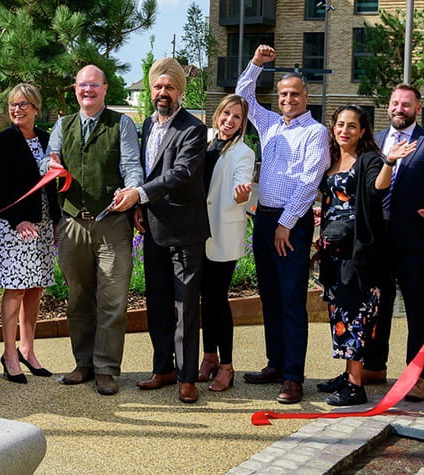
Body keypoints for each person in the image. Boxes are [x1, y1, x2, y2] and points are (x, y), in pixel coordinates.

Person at [111, 58, 209, 404]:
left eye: (169, 87)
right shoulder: (148, 125)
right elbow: (147, 171)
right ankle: (163, 368)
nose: (162, 92)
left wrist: (139, 194)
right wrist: (139, 205)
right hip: (152, 228)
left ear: (180, 91)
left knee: (185, 307)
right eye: (157, 87)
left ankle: (186, 377)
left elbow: (181, 173)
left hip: (185, 232)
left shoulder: (193, 129)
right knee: (157, 303)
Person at [236, 44, 330, 404]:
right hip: (264, 218)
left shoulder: (316, 132)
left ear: (306, 96)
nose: (288, 99)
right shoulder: (270, 124)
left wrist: (286, 223)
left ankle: (293, 376)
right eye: (283, 94)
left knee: (291, 301)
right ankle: (275, 364)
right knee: (270, 297)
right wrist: (255, 64)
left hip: (291, 223)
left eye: (294, 94)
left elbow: (309, 181)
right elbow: (243, 96)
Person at [43, 64, 144, 396]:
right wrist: (51, 166)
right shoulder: (63, 125)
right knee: (78, 298)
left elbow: (131, 165)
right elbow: (47, 162)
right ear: (75, 89)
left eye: (94, 85)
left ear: (105, 89)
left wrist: (133, 192)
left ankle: (105, 368)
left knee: (112, 299)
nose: (88, 90)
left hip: (111, 223)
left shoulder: (121, 124)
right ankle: (83, 363)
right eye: (82, 85)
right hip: (72, 223)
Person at [368, 83, 424, 402]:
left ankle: (417, 375)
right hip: (378, 239)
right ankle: (375, 365)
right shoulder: (375, 140)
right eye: (395, 103)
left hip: (414, 239)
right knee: (378, 304)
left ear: (418, 108)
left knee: (416, 308)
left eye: (406, 104)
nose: (399, 109)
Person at [313, 105, 397, 406]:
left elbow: (376, 187)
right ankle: (348, 374)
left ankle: (355, 386)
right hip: (333, 251)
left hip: (357, 253)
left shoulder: (369, 159)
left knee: (355, 315)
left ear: (362, 131)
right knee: (339, 313)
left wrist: (390, 162)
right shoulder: (332, 159)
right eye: (340, 124)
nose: (344, 130)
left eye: (352, 126)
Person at [0, 83, 60, 384]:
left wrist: (55, 220)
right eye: (12, 105)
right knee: (15, 288)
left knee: (35, 288)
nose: (17, 110)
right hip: (13, 225)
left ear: (35, 108)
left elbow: (53, 182)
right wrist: (17, 220)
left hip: (42, 223)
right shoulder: (3, 141)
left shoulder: (46, 139)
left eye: (23, 104)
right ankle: (9, 354)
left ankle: (27, 349)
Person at [197, 94, 256, 393]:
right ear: (217, 114)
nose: (229, 120)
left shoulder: (243, 152)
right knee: (205, 299)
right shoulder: (204, 142)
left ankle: (227, 366)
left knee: (217, 299)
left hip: (222, 231)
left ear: (243, 123)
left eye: (237, 117)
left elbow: (240, 184)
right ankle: (209, 357)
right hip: (198, 232)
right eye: (226, 114)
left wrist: (241, 194)